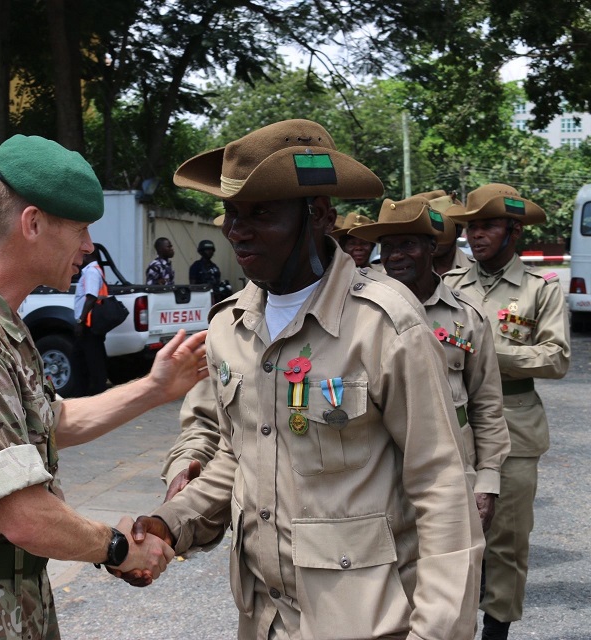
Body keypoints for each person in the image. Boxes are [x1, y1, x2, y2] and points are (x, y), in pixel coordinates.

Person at [125, 119, 484, 640]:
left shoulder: (383, 324)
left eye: (261, 213)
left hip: (367, 621)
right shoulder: (230, 326)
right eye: (232, 213)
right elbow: (239, 456)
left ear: (318, 214)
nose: (235, 231)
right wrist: (169, 524)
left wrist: (436, 631)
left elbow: (442, 486)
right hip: (265, 618)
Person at [0, 134, 209, 640]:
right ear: (33, 223)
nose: (88, 246)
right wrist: (120, 547)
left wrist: (155, 388)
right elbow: (24, 516)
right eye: (81, 229)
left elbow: (54, 422)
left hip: (4, 601)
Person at [444, 183, 571, 640]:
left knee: (506, 540)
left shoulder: (539, 290)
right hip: (457, 423)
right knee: (452, 532)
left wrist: (488, 354)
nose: (475, 235)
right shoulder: (450, 285)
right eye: (470, 227)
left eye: (486, 226)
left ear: (512, 230)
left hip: (515, 421)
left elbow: (557, 357)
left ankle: (497, 629)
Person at [349, 194, 510, 531]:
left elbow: (486, 403)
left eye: (407, 244)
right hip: (377, 470)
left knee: (455, 569)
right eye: (388, 246)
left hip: (450, 466)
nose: (395, 256)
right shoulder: (357, 311)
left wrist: (488, 480)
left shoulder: (466, 315)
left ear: (432, 247)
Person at [73, 248, 109, 395]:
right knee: (88, 356)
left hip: (89, 323)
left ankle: (97, 391)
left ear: (88, 255)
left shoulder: (91, 272)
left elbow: (91, 297)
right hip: (91, 322)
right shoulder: (94, 270)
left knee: (93, 358)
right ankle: (89, 389)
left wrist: (80, 321)